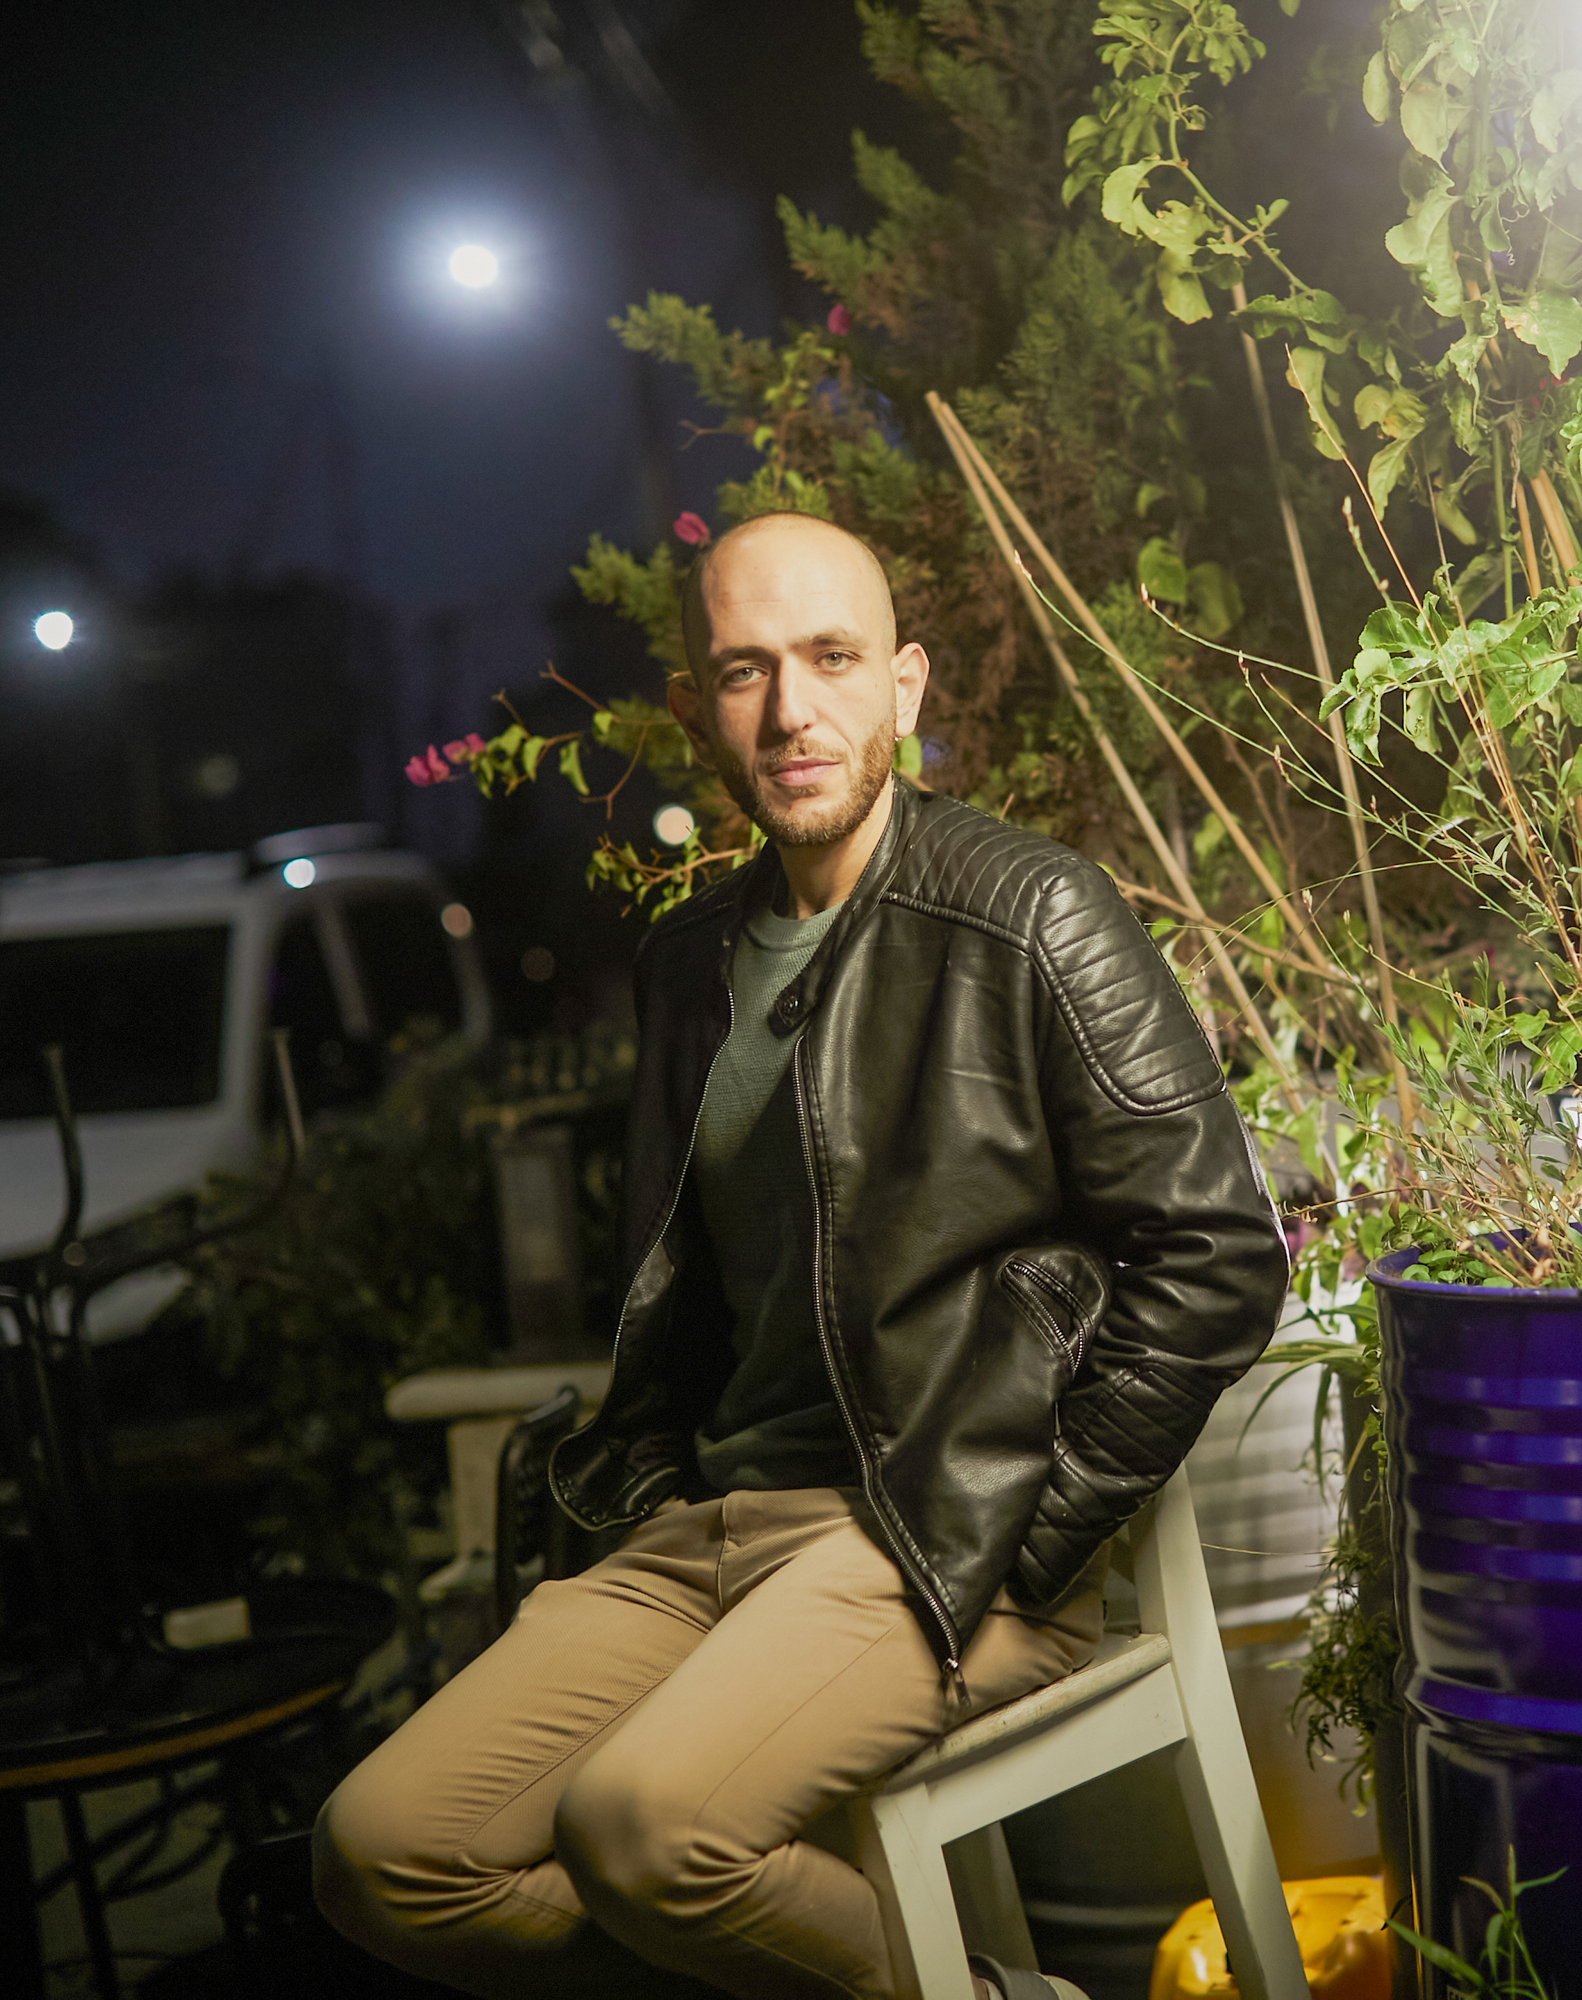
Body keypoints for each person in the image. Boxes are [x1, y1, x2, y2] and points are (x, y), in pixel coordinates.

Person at [314, 511, 1288, 2000]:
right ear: (702, 709)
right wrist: (644, 1488)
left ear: (902, 686)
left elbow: (1217, 1250)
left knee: (645, 1828)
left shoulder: (1030, 915)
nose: (790, 711)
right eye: (744, 671)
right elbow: (693, 1295)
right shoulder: (685, 961)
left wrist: (1031, 1531)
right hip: (702, 1531)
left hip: (927, 1532)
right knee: (385, 1849)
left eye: (830, 659)